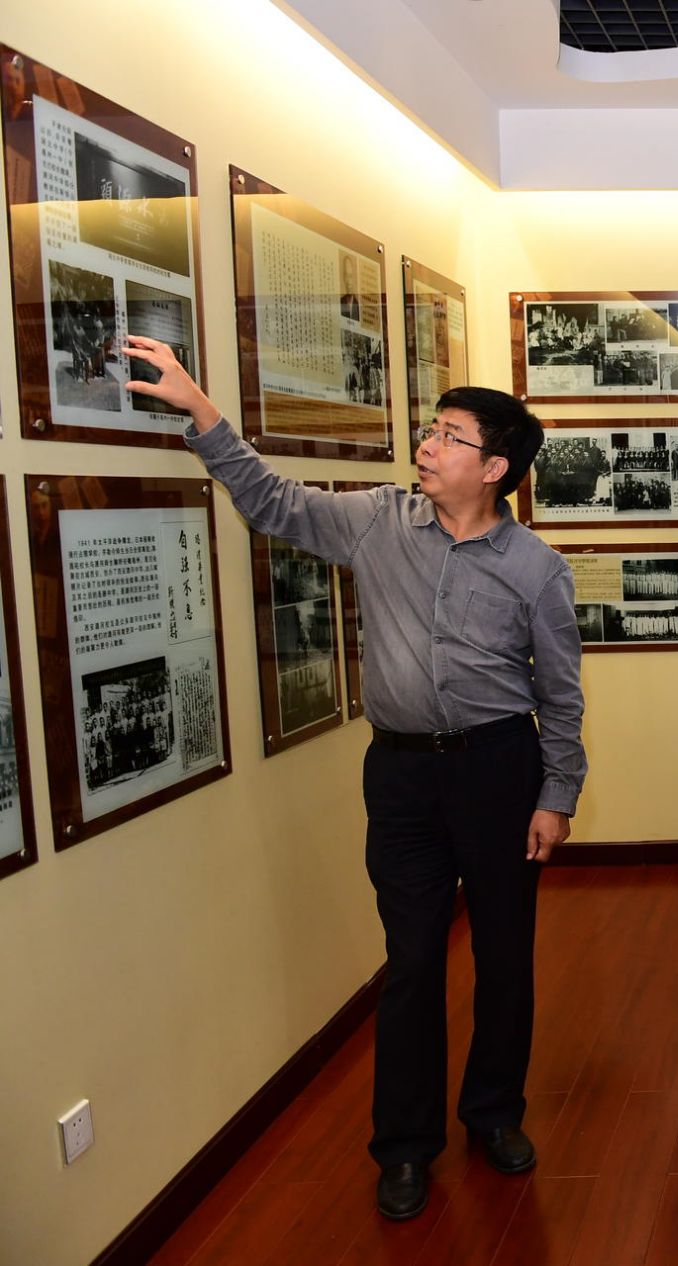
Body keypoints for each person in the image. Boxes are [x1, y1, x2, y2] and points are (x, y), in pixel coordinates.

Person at [121, 334, 585, 1224]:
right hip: (401, 776)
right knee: (411, 960)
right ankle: (404, 1148)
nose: (427, 445)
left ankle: (493, 1114)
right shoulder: (377, 520)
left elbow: (560, 695)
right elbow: (270, 501)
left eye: (447, 436)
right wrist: (200, 407)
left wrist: (555, 795)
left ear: (494, 468)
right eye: (431, 429)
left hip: (499, 770)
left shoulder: (537, 569)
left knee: (504, 956)